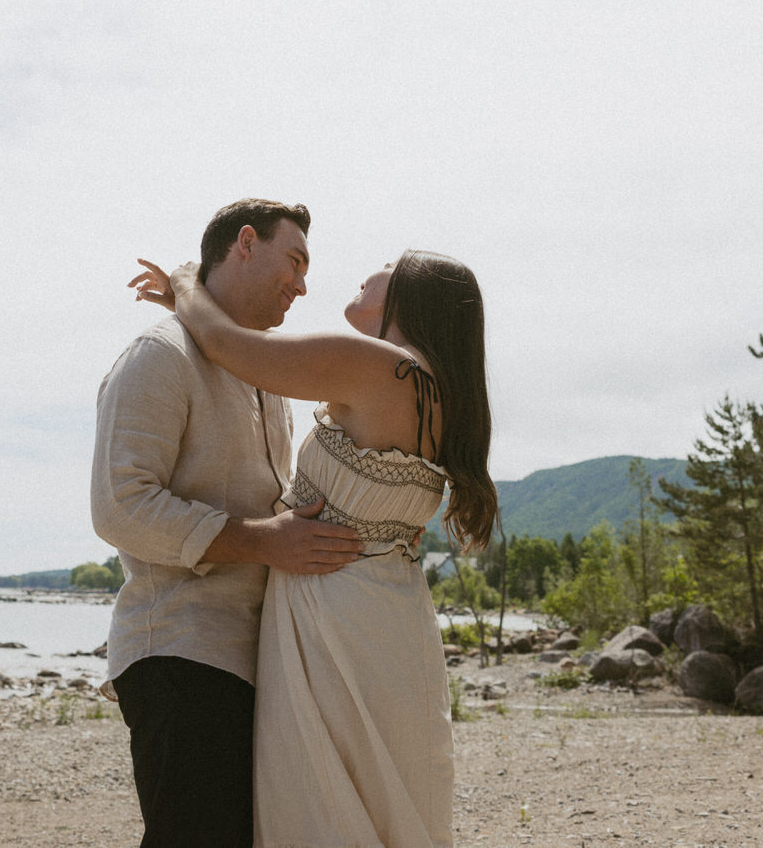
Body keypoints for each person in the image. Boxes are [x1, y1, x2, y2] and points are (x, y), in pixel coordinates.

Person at [132, 248, 496, 848]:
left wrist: (187, 281)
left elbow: (228, 346)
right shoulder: (442, 392)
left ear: (410, 294)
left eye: (387, 263)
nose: (369, 267)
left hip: (335, 618)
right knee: (384, 805)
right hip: (391, 617)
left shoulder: (375, 364)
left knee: (321, 805)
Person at [90, 198, 364, 848]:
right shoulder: (158, 354)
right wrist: (264, 540)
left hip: (253, 664)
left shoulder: (264, 376)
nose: (302, 283)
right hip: (179, 653)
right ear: (246, 243)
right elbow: (118, 504)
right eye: (293, 260)